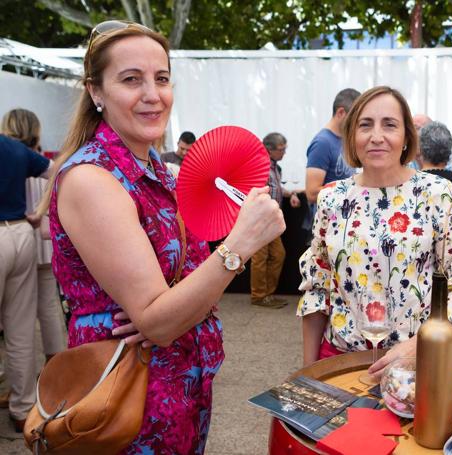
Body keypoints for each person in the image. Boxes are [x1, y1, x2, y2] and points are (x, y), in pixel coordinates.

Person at [34, 21, 285, 453]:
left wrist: (172, 306)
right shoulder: (92, 180)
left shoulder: (159, 173)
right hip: (125, 399)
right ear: (96, 92)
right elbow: (158, 320)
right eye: (132, 79)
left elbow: (182, 297)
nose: (153, 94)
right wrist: (239, 246)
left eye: (162, 78)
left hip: (179, 387)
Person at [298, 86, 452, 379]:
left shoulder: (437, 193)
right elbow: (318, 287)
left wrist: (418, 345)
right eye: (365, 125)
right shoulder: (332, 198)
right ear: (352, 136)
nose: (376, 136)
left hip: (418, 364)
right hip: (342, 363)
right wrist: (309, 374)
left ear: (407, 137)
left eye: (389, 125)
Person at [0, 110, 52, 432]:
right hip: (21, 232)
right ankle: (22, 410)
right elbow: (59, 172)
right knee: (20, 330)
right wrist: (41, 210)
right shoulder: (17, 149)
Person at [3, 109, 67, 365]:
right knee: (47, 307)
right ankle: (55, 364)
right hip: (41, 243)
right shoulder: (37, 161)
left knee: (20, 317)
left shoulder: (15, 159)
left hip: (24, 234)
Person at [250, 132, 301, 308]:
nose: (284, 153)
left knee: (278, 255)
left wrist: (292, 193)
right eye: (281, 149)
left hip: (272, 219)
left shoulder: (275, 168)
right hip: (260, 218)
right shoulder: (259, 166)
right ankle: (259, 296)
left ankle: (268, 295)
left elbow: (276, 188)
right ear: (268, 149)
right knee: (260, 257)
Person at [305, 88, 360, 204]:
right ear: (340, 112)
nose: (357, 123)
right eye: (354, 118)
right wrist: (353, 189)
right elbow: (312, 193)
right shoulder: (322, 143)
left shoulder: (344, 139)